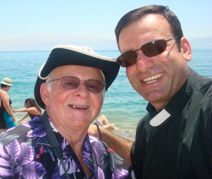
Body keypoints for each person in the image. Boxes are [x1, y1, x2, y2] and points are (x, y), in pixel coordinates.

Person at [88, 5, 212, 178]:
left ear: (184, 49)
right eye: (129, 58)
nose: (142, 65)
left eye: (154, 48)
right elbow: (139, 157)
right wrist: (98, 133)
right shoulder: (150, 123)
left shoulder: (207, 108)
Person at [0, 45, 131, 178]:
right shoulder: (4, 152)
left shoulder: (103, 151)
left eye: (94, 86)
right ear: (45, 94)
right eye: (69, 83)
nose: (83, 92)